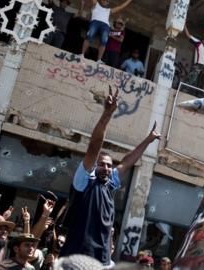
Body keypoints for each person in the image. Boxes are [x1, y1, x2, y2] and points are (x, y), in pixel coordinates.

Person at [59, 87, 161, 265]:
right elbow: (94, 145)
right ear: (93, 166)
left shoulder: (109, 184)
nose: (106, 167)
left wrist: (148, 140)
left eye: (109, 165)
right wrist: (107, 114)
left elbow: (128, 161)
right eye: (101, 164)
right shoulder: (84, 180)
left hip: (102, 258)